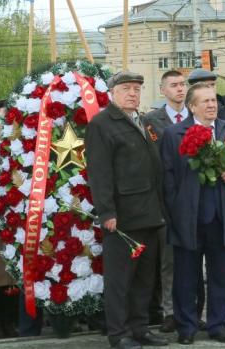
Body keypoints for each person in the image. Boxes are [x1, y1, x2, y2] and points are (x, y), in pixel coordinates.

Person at [160, 82, 225, 345]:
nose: (212, 105)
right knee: (186, 277)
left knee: (221, 275)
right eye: (206, 101)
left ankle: (218, 326)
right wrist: (175, 209)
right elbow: (166, 177)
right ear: (192, 106)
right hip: (187, 216)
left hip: (223, 215)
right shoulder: (174, 134)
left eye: (214, 100)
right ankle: (186, 327)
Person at [85, 71, 167, 349]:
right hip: (122, 217)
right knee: (120, 281)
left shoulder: (142, 121)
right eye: (126, 88)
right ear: (112, 93)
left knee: (145, 279)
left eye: (137, 88)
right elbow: (100, 172)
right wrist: (106, 212)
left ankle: (139, 328)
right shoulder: (102, 124)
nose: (133, 93)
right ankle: (118, 334)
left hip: (150, 213)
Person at [142, 69, 188, 333]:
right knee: (168, 260)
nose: (180, 89)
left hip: (192, 198)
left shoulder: (195, 118)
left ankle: (192, 309)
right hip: (162, 201)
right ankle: (169, 311)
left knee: (192, 259)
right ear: (163, 91)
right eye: (174, 85)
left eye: (183, 85)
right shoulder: (151, 121)